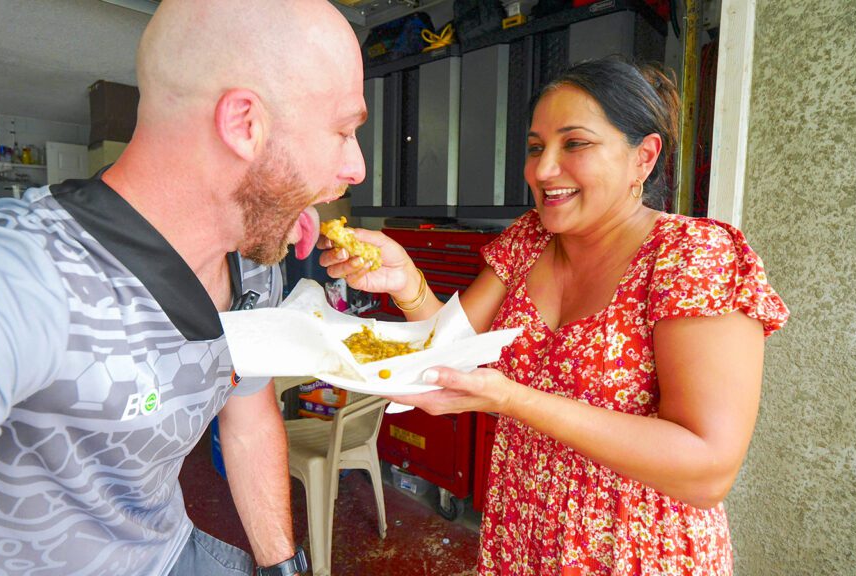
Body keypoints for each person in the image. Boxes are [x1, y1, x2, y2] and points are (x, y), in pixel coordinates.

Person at [0, 1, 366, 575]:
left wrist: (282, 567)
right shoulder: (13, 271)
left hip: (170, 552)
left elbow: (246, 417)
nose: (357, 167)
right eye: (345, 131)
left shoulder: (255, 269)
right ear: (244, 124)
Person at [321, 58, 789, 575]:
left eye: (575, 144)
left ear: (644, 157)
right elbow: (451, 349)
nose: (542, 170)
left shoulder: (692, 256)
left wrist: (513, 399)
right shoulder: (528, 239)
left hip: (634, 551)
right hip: (522, 537)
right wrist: (408, 283)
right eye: (536, 147)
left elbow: (707, 470)